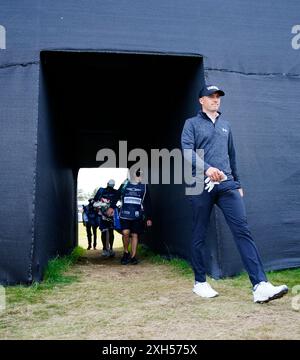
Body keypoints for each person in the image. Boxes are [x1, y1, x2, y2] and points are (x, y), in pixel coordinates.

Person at [181, 84, 288, 303]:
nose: (216, 99)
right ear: (201, 100)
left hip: (227, 184)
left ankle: (260, 285)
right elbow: (186, 151)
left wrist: (237, 182)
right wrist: (207, 169)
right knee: (199, 233)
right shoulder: (191, 124)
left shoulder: (225, 126)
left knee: (242, 230)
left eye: (218, 96)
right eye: (211, 96)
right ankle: (200, 282)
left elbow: (231, 156)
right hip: (200, 183)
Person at [107, 170, 152, 265]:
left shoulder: (144, 186)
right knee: (125, 233)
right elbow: (117, 195)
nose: (141, 178)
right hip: (125, 214)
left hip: (137, 215)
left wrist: (148, 217)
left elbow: (147, 202)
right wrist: (111, 207)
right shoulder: (125, 184)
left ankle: (133, 256)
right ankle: (126, 252)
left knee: (135, 235)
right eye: (140, 176)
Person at [93, 179, 118, 257]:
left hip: (110, 214)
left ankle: (108, 249)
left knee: (109, 231)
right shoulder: (102, 191)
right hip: (103, 214)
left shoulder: (115, 192)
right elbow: (95, 201)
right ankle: (107, 249)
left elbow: (95, 200)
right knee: (106, 231)